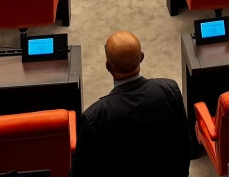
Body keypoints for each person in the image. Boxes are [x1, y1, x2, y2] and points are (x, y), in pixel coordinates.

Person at [71, 31, 190, 177]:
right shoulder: (170, 89)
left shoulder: (94, 117)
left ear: (108, 66)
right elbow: (184, 146)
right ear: (141, 57)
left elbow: (81, 173)